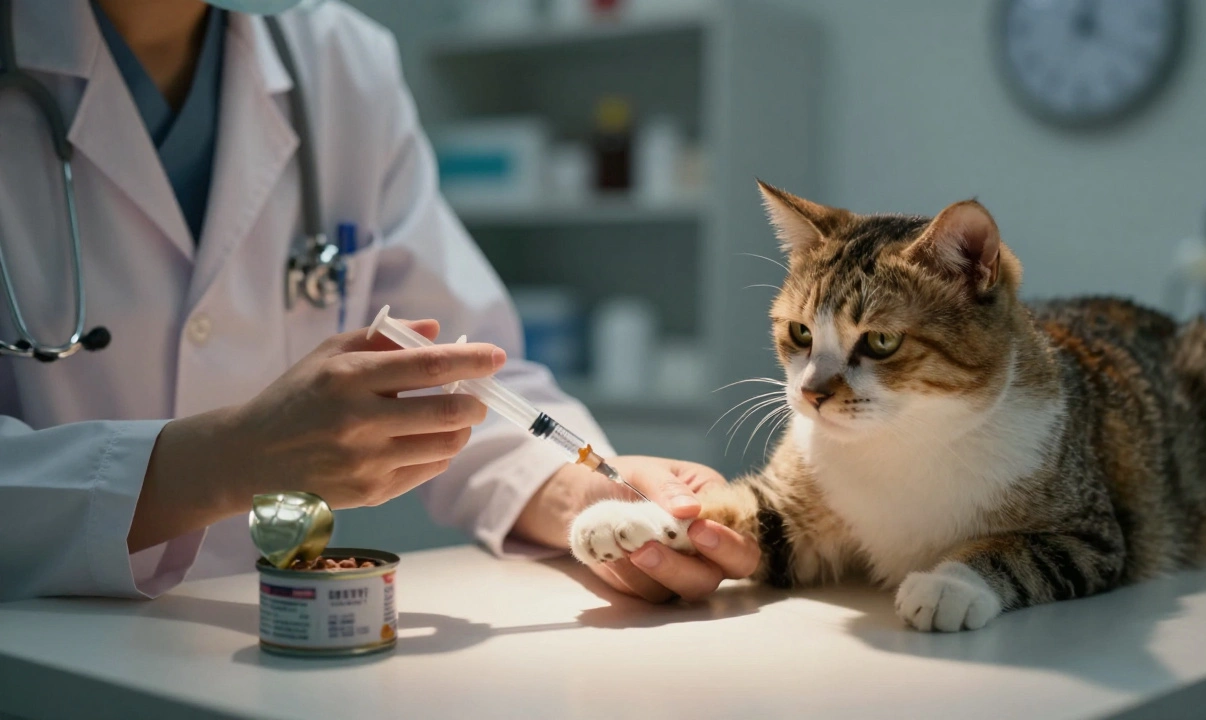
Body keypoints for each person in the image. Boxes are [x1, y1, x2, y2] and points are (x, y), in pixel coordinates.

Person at [0, 0, 758, 603]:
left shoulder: (338, 59)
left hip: (269, 652)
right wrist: (224, 463)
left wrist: (588, 494)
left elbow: (466, 378)